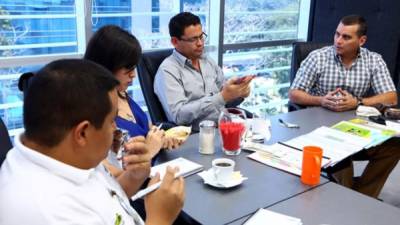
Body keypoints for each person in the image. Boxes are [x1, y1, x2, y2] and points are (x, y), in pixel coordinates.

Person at [0, 59, 185, 225]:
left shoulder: (62, 152)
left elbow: (108, 196)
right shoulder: (45, 210)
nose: (116, 129)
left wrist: (135, 176)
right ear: (82, 133)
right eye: (112, 120)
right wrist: (160, 218)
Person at [289, 15, 400, 198]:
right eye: (337, 34)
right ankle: (356, 199)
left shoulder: (373, 60)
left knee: (396, 145)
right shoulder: (317, 57)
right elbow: (294, 93)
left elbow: (391, 97)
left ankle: (360, 196)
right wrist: (321, 100)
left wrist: (358, 101)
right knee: (340, 154)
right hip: (322, 129)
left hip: (358, 129)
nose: (338, 41)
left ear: (361, 40)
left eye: (346, 37)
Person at [84, 25, 182, 161]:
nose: (133, 75)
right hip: (137, 177)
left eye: (134, 67)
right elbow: (112, 170)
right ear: (106, 67)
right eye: (128, 69)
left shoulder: (121, 93)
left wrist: (161, 138)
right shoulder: (94, 113)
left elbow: (149, 129)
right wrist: (148, 151)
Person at [154, 12, 253, 131]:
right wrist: (221, 97)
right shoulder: (167, 71)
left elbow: (224, 99)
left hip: (223, 128)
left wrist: (239, 92)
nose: (200, 43)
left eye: (201, 37)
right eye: (193, 39)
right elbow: (179, 116)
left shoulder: (208, 61)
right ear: (175, 41)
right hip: (195, 136)